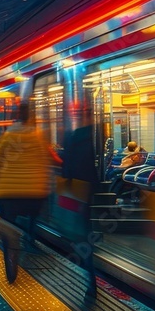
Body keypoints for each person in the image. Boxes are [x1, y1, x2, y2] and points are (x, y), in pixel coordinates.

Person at [0, 104, 61, 268]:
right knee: (33, 217)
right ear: (31, 117)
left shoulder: (6, 137)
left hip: (8, 192)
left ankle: (10, 249)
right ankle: (30, 240)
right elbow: (48, 161)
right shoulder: (39, 137)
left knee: (9, 219)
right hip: (34, 192)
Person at [61, 106, 99, 297]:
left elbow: (67, 167)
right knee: (84, 234)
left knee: (80, 235)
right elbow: (89, 168)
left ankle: (88, 278)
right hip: (84, 192)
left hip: (76, 192)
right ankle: (89, 279)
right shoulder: (86, 138)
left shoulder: (75, 137)